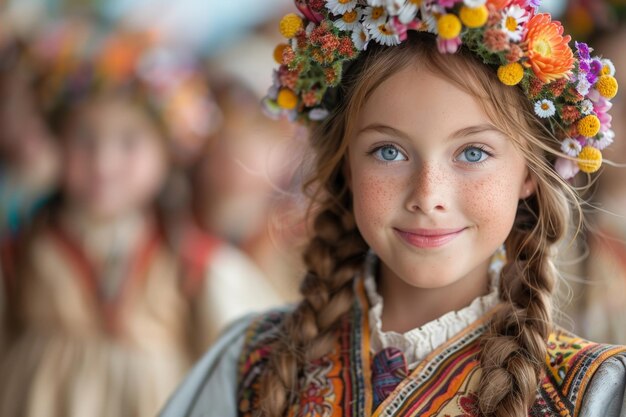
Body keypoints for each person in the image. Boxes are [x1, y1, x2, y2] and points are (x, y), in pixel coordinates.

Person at [160, 1, 626, 416]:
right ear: (345, 165)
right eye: (388, 151)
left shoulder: (590, 392)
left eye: (473, 153)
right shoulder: (252, 363)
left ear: (528, 171)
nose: (428, 194)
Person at [0, 24, 282, 417]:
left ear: (168, 154)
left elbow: (258, 358)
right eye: (83, 137)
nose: (103, 162)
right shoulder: (23, 248)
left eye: (129, 141)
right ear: (58, 140)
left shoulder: (191, 261)